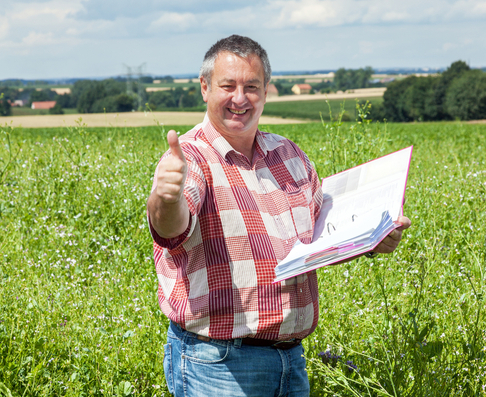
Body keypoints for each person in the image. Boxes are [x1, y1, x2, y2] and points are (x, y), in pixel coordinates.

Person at [147, 35, 411, 397]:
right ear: (205, 88)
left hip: (290, 360)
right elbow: (171, 227)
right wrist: (165, 196)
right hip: (220, 365)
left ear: (266, 92)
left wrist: (373, 238)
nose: (240, 99)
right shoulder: (189, 160)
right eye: (228, 86)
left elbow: (322, 235)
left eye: (251, 86)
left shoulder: (288, 155)